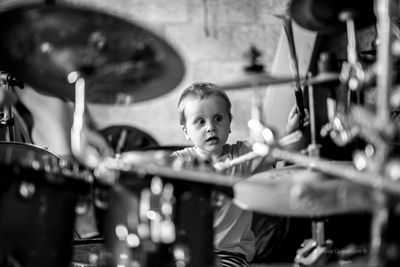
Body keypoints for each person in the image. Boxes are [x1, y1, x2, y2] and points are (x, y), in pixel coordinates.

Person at [171, 82, 304, 267]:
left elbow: (280, 151)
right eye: (200, 121)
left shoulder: (244, 155)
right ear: (186, 131)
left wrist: (291, 130)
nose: (210, 127)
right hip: (187, 252)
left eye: (218, 118)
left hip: (229, 254)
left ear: (229, 123)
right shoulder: (178, 162)